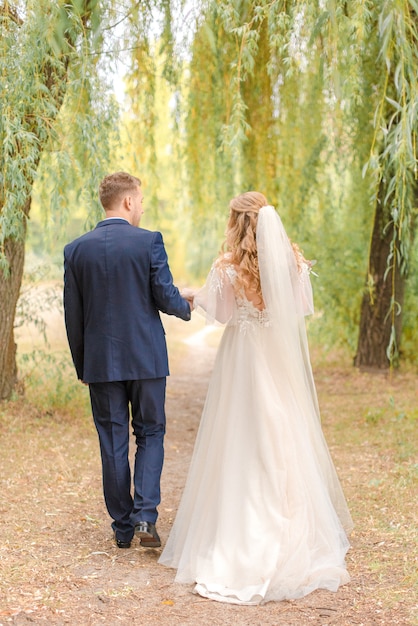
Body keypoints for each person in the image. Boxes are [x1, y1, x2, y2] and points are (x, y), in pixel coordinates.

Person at [159, 192, 353, 605]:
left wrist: (192, 293)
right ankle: (289, 525)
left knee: (240, 437)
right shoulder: (294, 264)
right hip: (275, 355)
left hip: (243, 358)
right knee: (281, 431)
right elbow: (297, 309)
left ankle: (239, 530)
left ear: (237, 222)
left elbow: (222, 313)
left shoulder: (227, 267)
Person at [63, 171, 192, 550]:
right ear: (129, 201)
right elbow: (165, 297)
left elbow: (74, 314)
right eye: (141, 201)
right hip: (147, 358)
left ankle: (122, 527)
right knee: (150, 432)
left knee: (113, 439)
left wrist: (82, 365)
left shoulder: (76, 250)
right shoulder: (148, 242)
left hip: (101, 363)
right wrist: (187, 303)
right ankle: (145, 517)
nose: (141, 208)